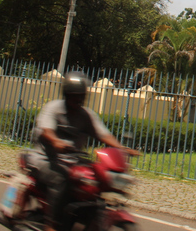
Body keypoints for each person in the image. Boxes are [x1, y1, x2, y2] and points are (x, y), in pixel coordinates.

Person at [31, 72, 138, 231]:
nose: (79, 99)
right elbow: (47, 130)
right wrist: (56, 142)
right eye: (76, 96)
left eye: (82, 96)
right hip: (46, 159)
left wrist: (121, 148)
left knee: (94, 181)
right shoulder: (53, 108)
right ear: (67, 95)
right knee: (61, 179)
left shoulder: (86, 115)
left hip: (72, 161)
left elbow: (103, 134)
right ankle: (51, 224)